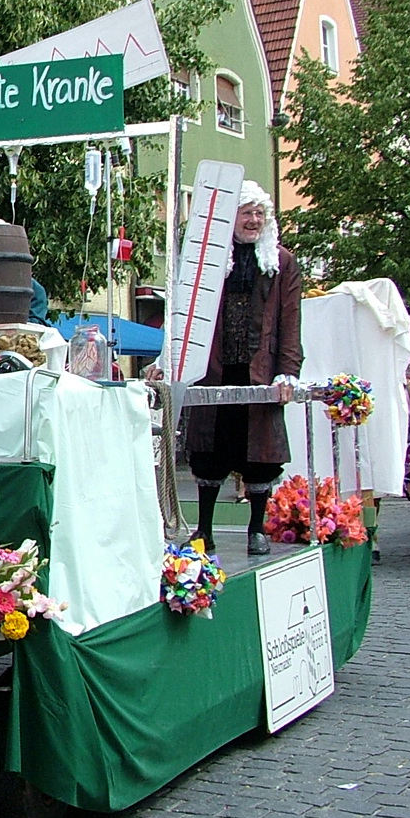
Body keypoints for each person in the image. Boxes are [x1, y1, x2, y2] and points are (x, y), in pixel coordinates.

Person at [182, 181, 303, 557]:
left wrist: (288, 371)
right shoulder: (209, 257)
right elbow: (186, 310)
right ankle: (203, 529)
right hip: (213, 369)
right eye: (246, 212)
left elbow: (290, 320)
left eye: (259, 214)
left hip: (260, 371)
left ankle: (256, 530)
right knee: (209, 450)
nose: (253, 220)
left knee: (260, 456)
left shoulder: (281, 262)